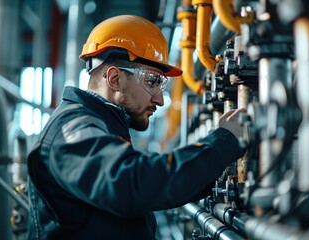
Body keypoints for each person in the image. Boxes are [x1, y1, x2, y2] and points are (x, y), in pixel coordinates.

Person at [27, 15, 246, 240]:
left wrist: (214, 171)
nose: (160, 100)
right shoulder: (72, 128)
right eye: (152, 82)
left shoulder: (103, 127)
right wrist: (224, 142)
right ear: (114, 79)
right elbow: (134, 183)